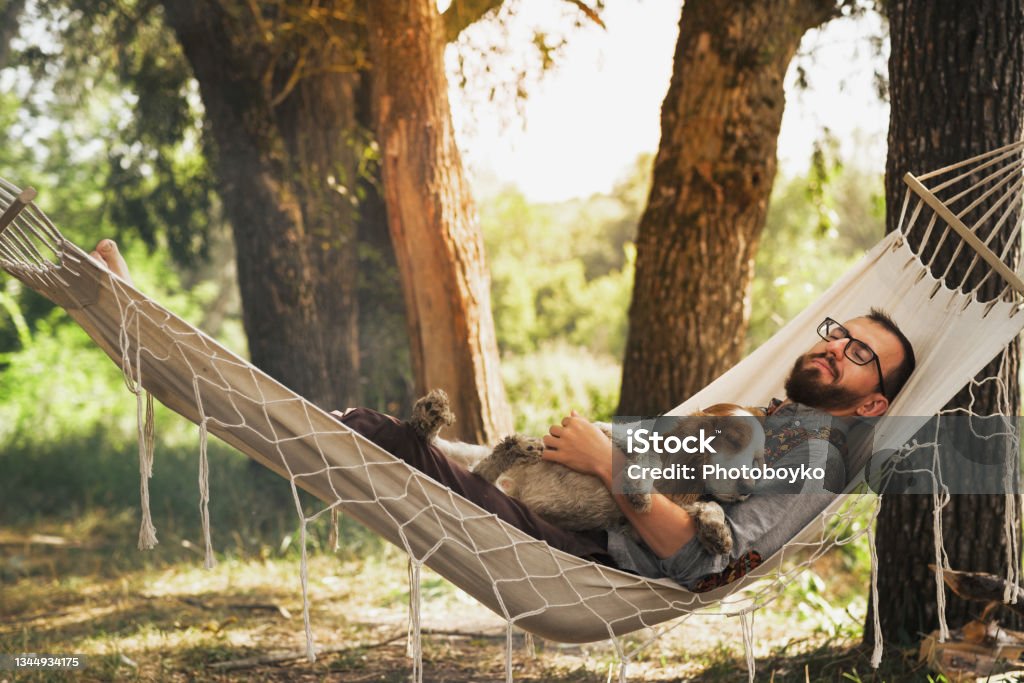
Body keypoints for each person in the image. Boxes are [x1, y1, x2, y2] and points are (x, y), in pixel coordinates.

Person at [89, 239, 916, 589]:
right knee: (375, 436)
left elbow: (705, 565)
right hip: (551, 491)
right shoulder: (772, 414)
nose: (836, 347)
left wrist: (608, 462)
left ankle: (164, 354)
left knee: (376, 441)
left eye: (858, 355)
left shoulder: (817, 457)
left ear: (873, 400)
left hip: (589, 556)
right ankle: (165, 348)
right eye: (840, 332)